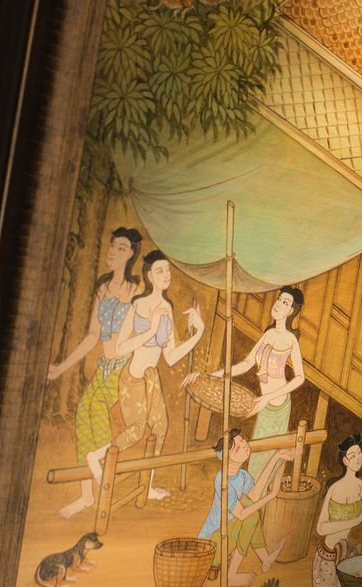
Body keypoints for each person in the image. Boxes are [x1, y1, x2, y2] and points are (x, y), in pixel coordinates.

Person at [46, 227, 142, 518]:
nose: (112, 252)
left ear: (131, 254)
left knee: (97, 407)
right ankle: (87, 495)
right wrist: (61, 368)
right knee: (82, 414)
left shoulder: (136, 291)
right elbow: (92, 336)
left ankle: (106, 484)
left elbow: (142, 335)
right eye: (112, 246)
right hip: (103, 368)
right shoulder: (102, 288)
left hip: (124, 368)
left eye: (121, 248)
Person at [104, 250, 204, 499]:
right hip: (133, 378)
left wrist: (199, 333)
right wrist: (150, 331)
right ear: (149, 276)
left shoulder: (167, 308)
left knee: (160, 427)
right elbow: (119, 348)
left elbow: (170, 356)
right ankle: (97, 457)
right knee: (137, 430)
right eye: (160, 271)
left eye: (168, 270)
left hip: (151, 377)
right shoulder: (139, 304)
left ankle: (147, 486)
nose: (166, 275)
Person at [185, 286, 305, 477]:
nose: (278, 304)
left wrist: (268, 398)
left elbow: (300, 378)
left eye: (285, 302)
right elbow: (247, 363)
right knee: (257, 454)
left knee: (269, 456)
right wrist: (212, 375)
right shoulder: (268, 334)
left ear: (290, 311)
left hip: (278, 405)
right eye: (279, 299)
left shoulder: (290, 339)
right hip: (263, 404)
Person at [198, 429, 291, 587]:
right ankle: (231, 576)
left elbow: (254, 496)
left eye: (243, 440)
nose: (244, 445)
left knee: (249, 505)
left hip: (227, 539)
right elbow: (242, 514)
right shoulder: (222, 481)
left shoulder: (243, 475)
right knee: (249, 513)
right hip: (211, 547)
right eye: (238, 447)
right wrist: (271, 496)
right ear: (227, 458)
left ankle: (265, 559)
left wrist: (276, 457)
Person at [313, 434, 362, 586]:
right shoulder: (335, 488)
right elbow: (321, 528)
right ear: (345, 461)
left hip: (344, 554)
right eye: (353, 456)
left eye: (359, 453)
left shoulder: (359, 485)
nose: (358, 458)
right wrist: (357, 520)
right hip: (328, 555)